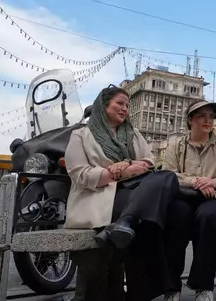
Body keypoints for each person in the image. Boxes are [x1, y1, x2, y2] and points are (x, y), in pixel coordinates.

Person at [64, 85, 179, 300]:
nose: (125, 109)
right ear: (103, 105)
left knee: (168, 177)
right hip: (101, 196)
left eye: (127, 105)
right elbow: (80, 174)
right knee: (148, 223)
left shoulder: (133, 133)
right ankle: (146, 291)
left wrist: (126, 164)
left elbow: (149, 161)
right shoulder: (81, 135)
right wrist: (117, 172)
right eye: (119, 103)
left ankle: (125, 222)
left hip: (136, 190)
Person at [160, 99, 216, 301]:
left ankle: (203, 286)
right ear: (190, 120)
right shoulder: (175, 145)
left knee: (210, 218)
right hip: (184, 196)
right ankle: (171, 287)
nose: (208, 120)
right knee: (175, 217)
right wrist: (195, 181)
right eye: (202, 116)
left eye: (211, 116)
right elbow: (168, 173)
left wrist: (213, 182)